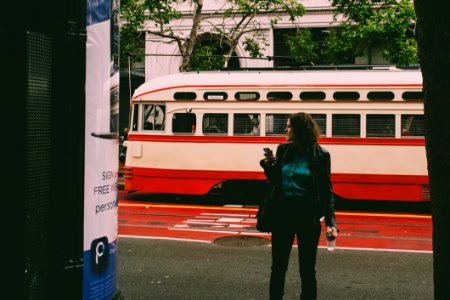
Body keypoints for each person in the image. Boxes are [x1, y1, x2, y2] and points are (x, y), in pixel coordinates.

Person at [260, 112, 338, 300]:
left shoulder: (321, 155)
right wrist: (267, 165)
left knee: (307, 269)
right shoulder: (283, 150)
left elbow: (326, 189)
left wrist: (331, 222)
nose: (285, 130)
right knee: (278, 266)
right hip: (283, 214)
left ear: (299, 130)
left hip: (307, 215)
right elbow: (277, 180)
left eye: (289, 126)